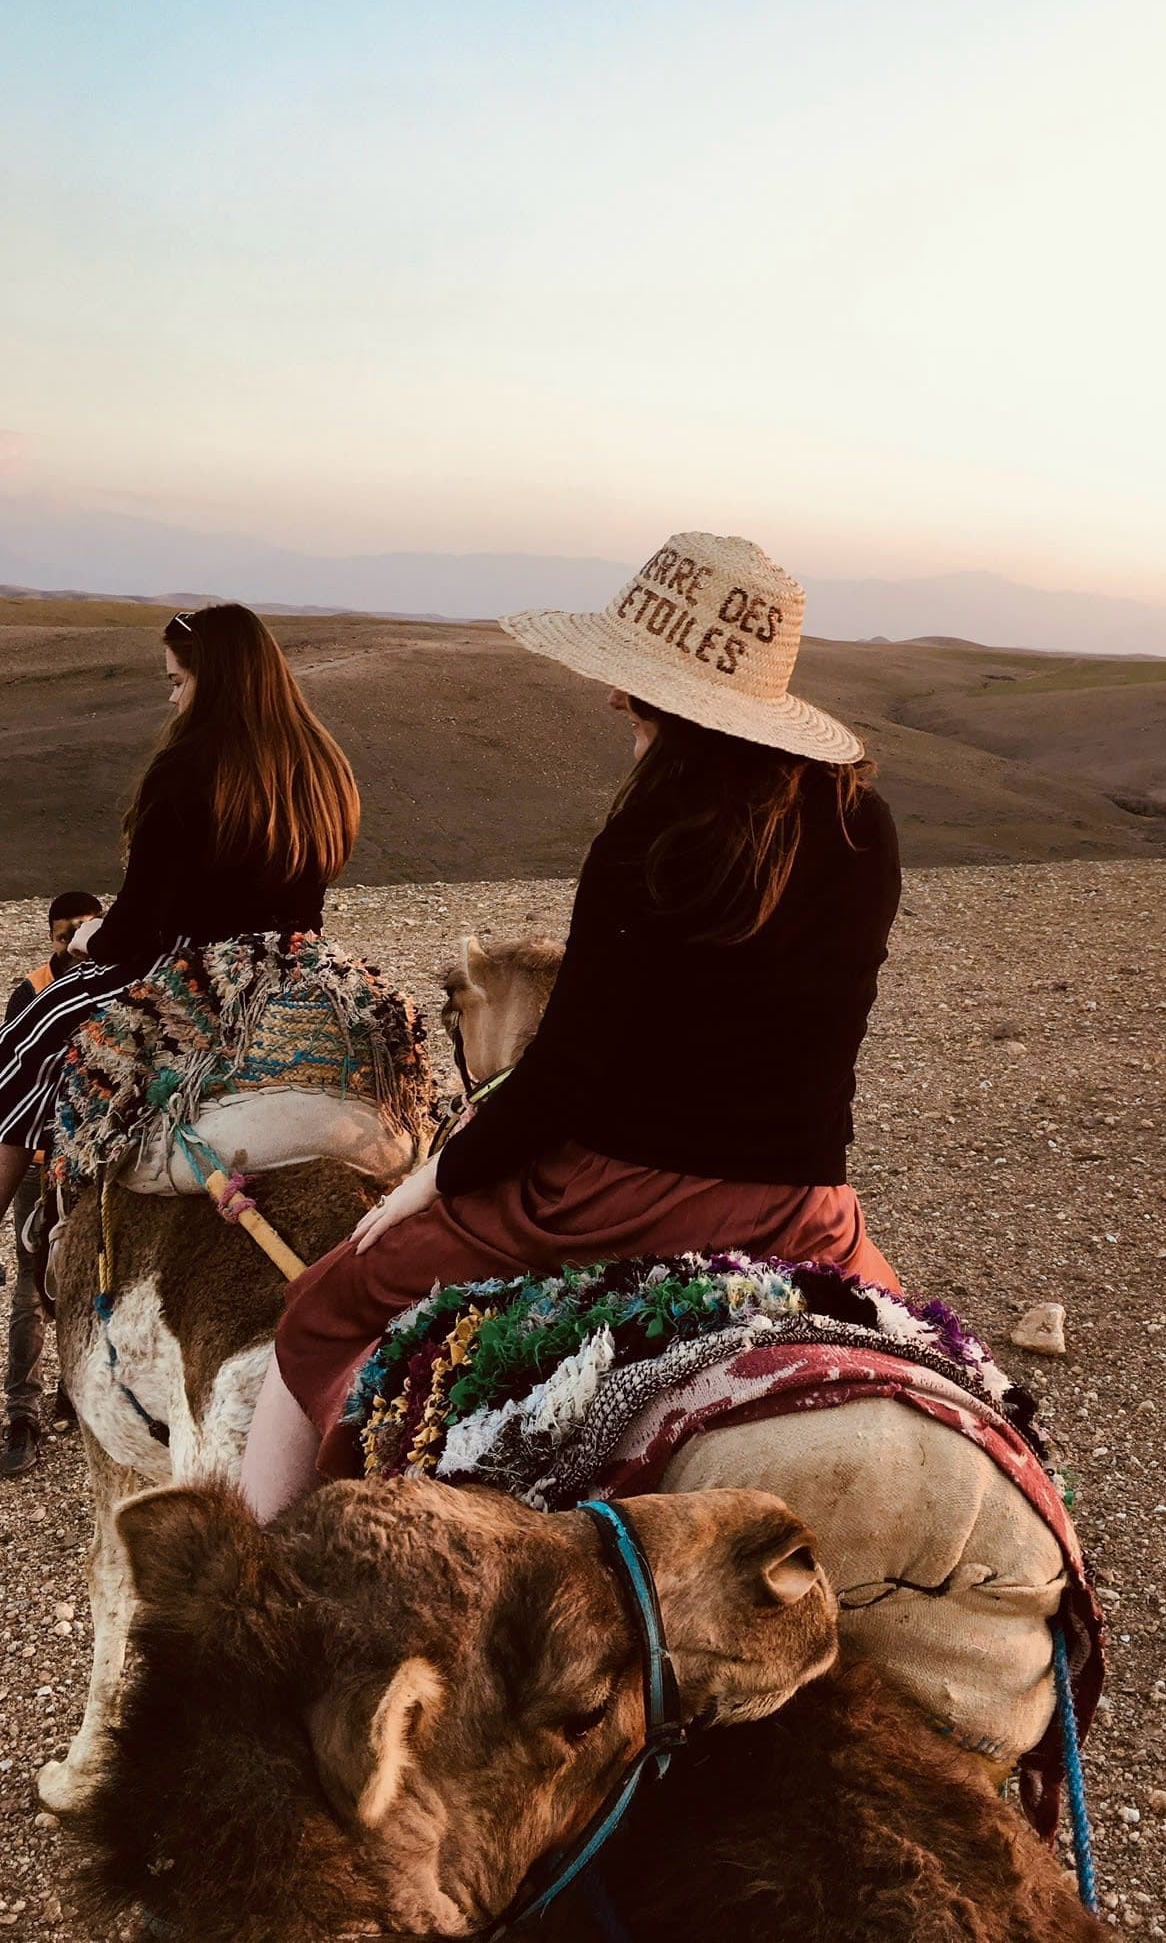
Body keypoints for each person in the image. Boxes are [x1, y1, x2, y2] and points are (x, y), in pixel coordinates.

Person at [241, 532, 902, 1519]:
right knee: (924, 1346)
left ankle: (255, 1586)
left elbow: (563, 1081)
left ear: (676, 703)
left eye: (633, 684)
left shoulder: (653, 836)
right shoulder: (866, 826)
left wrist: (432, 1179)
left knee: (324, 1308)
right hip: (806, 1204)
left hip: (623, 1200)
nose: (613, 700)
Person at [0, 605, 361, 1298]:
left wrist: (91, 937)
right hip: (295, 965)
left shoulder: (186, 767)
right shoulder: (322, 762)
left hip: (196, 970)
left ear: (212, 682)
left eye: (177, 682)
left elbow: (142, 923)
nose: (171, 696)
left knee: (28, 1032)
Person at [0, 892, 104, 1476]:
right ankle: (22, 1412)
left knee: (87, 1278)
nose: (74, 944)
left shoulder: (121, 987)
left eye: (85, 931)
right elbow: (9, 1079)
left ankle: (78, 1390)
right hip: (41, 1163)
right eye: (64, 935)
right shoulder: (33, 993)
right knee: (33, 1288)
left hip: (95, 1161)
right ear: (51, 938)